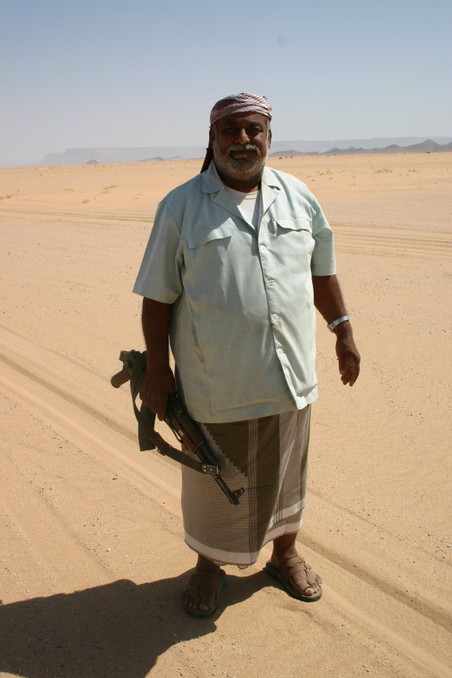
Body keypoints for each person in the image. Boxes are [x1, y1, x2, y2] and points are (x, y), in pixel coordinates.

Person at [133, 93, 360, 617]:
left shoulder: (299, 196)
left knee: (287, 472)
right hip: (219, 381)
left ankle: (285, 556)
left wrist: (343, 331)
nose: (242, 140)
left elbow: (321, 271)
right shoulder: (182, 205)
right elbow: (156, 297)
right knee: (218, 479)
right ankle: (209, 569)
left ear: (268, 137)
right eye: (230, 130)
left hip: (289, 376)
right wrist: (159, 373)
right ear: (212, 140)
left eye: (253, 130)